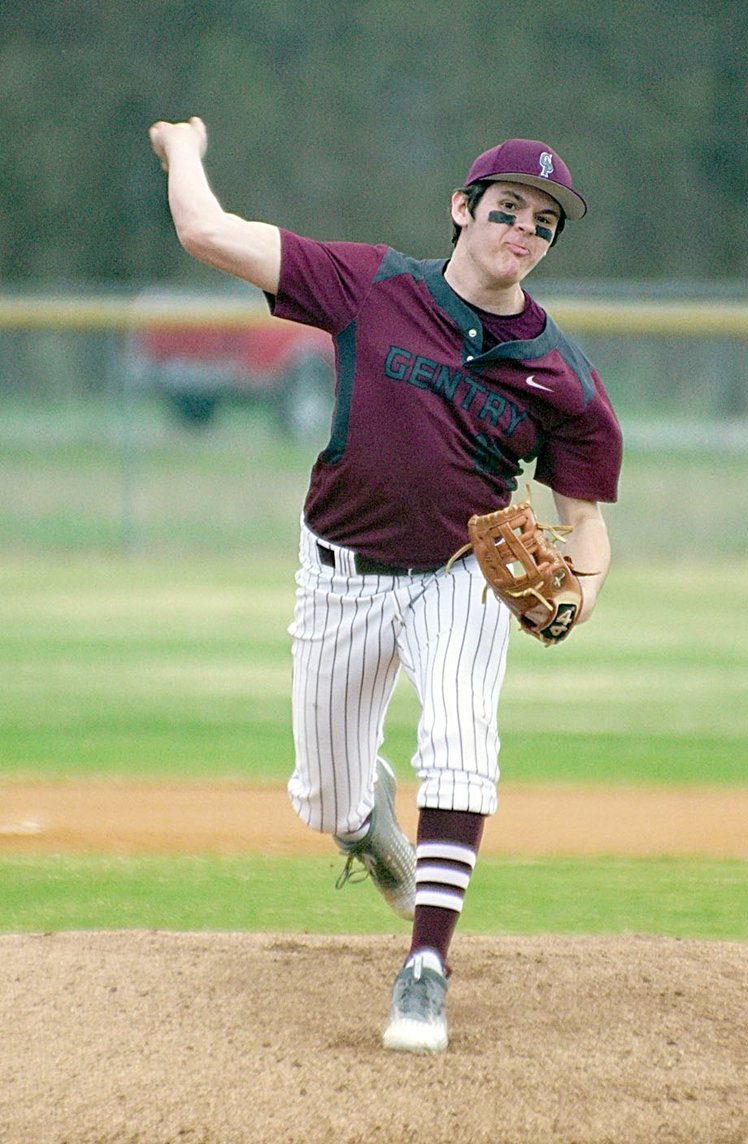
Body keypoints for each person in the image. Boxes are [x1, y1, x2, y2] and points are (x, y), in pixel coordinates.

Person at [149, 119, 623, 1054]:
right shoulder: (374, 284)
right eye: (507, 209)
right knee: (325, 800)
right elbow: (207, 234)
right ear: (462, 210)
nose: (522, 230)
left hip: (460, 579)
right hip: (339, 578)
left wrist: (579, 594)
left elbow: (586, 525)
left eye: (542, 223)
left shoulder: (561, 379)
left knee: (460, 740)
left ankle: (425, 968)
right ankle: (364, 823)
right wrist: (186, 152)